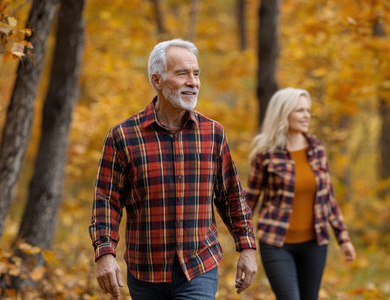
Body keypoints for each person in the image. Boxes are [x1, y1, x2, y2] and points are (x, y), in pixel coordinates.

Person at [88, 38, 257, 300]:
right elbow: (107, 201)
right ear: (157, 80)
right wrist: (105, 252)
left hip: (199, 266)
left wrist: (246, 247)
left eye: (196, 74)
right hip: (145, 271)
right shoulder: (123, 136)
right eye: (183, 73)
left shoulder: (213, 133)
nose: (193, 81)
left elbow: (231, 196)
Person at [246, 87, 356, 300]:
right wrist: (243, 243)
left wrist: (343, 238)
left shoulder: (316, 148)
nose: (306, 115)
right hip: (276, 242)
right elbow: (249, 201)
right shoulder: (265, 153)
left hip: (315, 243)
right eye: (300, 111)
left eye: (308, 110)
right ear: (283, 113)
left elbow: (328, 197)